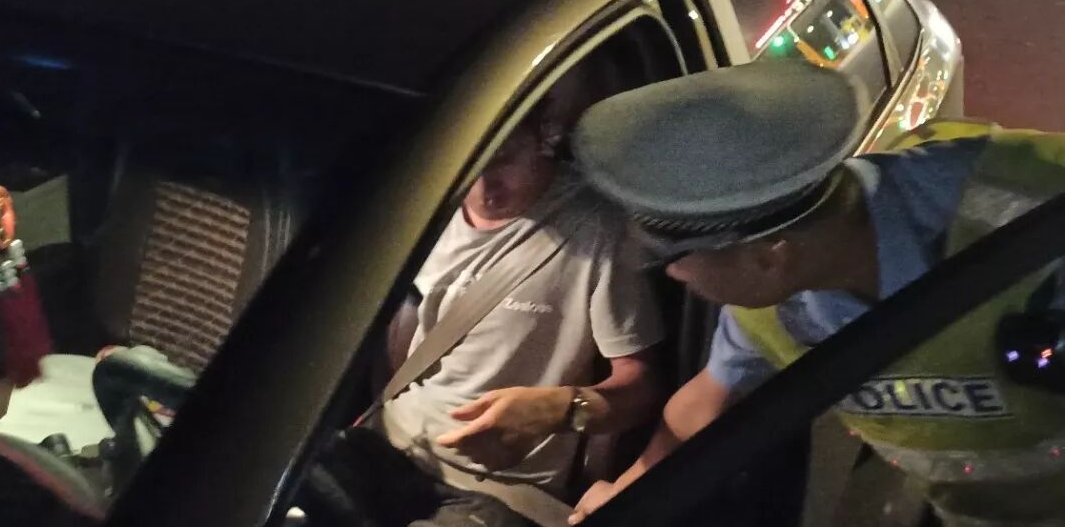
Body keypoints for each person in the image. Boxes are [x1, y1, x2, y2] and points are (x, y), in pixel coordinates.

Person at [567, 61, 1065, 527]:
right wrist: (626, 496)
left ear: (769, 257)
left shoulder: (1032, 206)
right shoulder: (776, 300)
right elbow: (706, 399)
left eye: (677, 260)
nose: (675, 275)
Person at [304, 91, 666, 527]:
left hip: (496, 486)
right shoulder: (427, 202)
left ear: (546, 137)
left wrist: (562, 408)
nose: (482, 186)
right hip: (385, 444)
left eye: (502, 159)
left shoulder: (597, 230)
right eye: (470, 164)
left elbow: (641, 385)